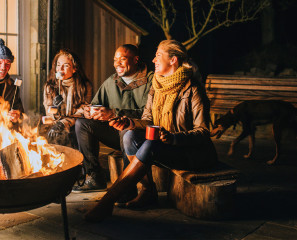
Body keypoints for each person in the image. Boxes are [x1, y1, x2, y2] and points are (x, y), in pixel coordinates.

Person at [84, 40, 218, 222]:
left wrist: (173, 138)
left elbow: (203, 131)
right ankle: (147, 190)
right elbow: (148, 120)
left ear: (173, 60)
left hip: (191, 153)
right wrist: (129, 122)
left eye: (158, 55)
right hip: (164, 145)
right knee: (129, 135)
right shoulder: (157, 86)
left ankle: (107, 202)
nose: (154, 60)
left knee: (151, 144)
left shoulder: (193, 89)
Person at [73, 44, 153, 192]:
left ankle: (126, 186)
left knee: (126, 128)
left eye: (122, 59)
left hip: (139, 136)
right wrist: (90, 111)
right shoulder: (112, 81)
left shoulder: (151, 80)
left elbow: (149, 115)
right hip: (114, 133)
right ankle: (94, 176)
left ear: (136, 60)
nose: (117, 64)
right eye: (115, 59)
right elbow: (96, 104)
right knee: (82, 124)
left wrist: (114, 113)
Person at [43, 49, 92, 148]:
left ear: (74, 69)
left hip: (76, 125)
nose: (60, 69)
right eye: (58, 65)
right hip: (56, 124)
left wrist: (65, 123)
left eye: (66, 65)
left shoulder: (84, 86)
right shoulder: (50, 87)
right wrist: (54, 107)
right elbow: (49, 115)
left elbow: (83, 111)